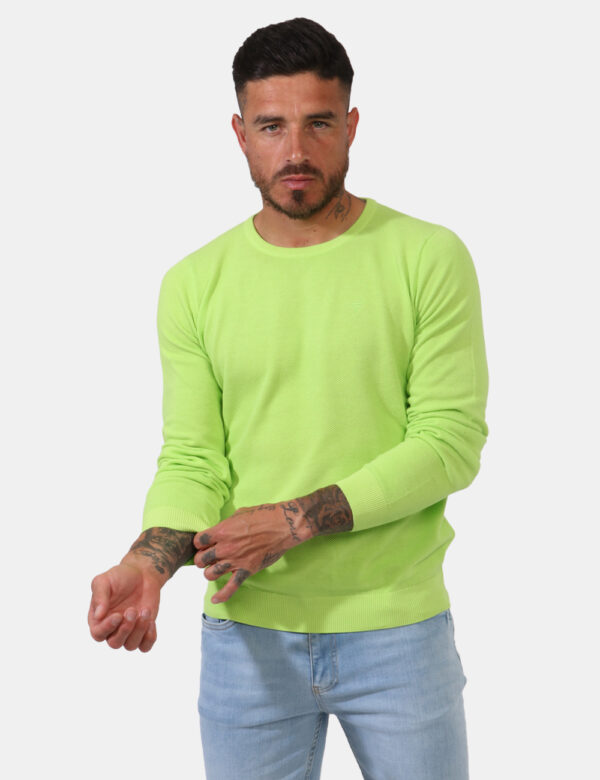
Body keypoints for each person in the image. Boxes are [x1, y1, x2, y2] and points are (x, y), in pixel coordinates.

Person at [88, 17, 489, 780]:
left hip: (398, 630)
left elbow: (448, 443)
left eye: (319, 124)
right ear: (240, 133)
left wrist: (290, 522)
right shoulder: (194, 283)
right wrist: (148, 563)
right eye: (272, 126)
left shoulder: (427, 257)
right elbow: (194, 457)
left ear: (353, 126)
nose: (296, 150)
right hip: (246, 639)